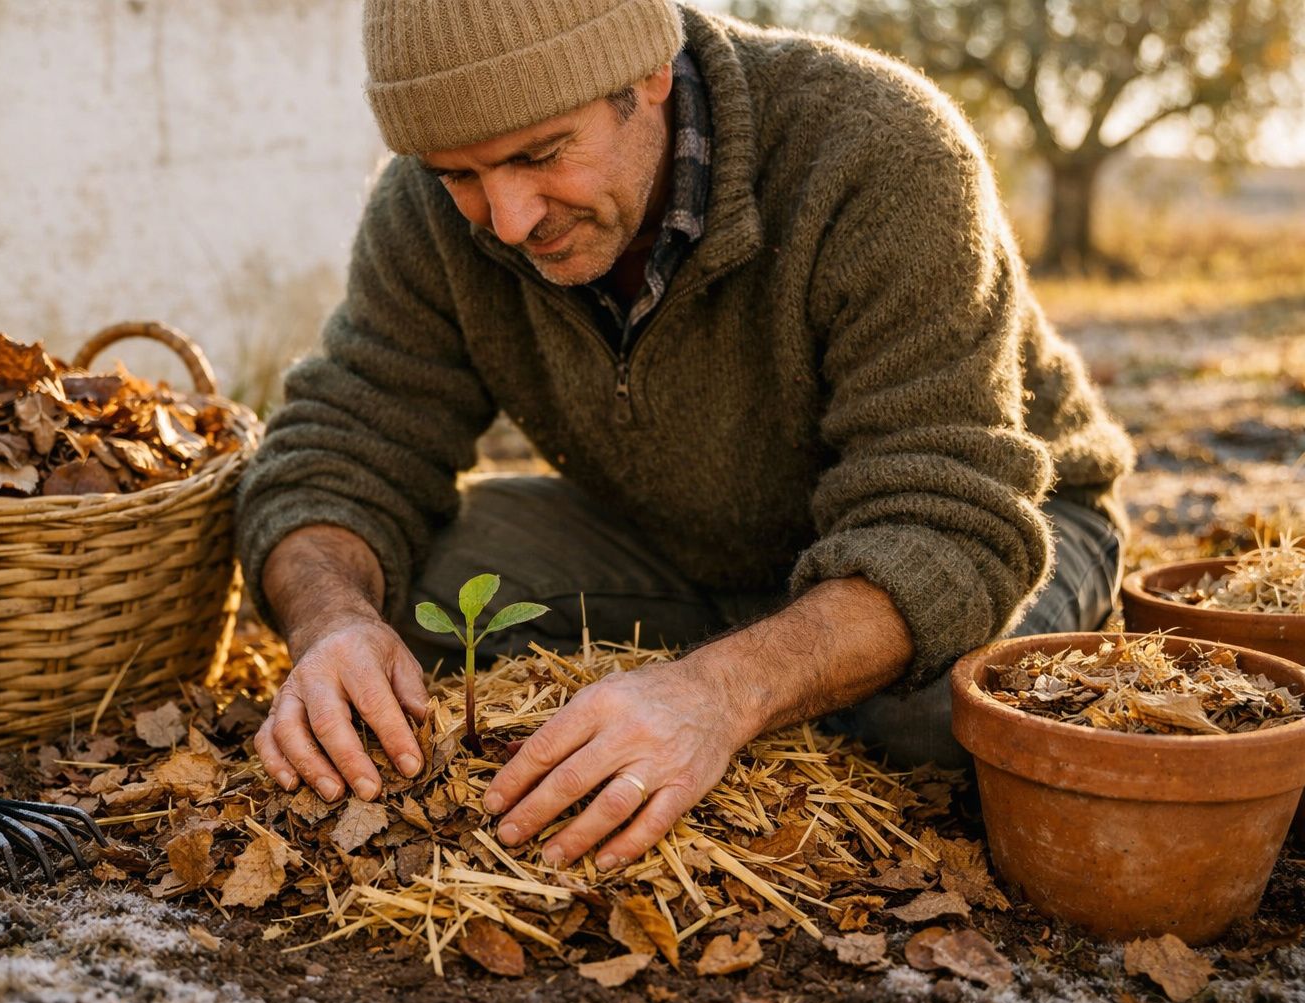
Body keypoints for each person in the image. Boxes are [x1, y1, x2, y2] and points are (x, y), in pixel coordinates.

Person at [237, 0, 1134, 873]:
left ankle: (733, 677)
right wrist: (331, 626)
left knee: (926, 714)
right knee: (419, 592)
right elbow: (339, 447)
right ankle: (732, 670)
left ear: (649, 73)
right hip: (680, 546)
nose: (508, 221)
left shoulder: (881, 148)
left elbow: (950, 524)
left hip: (1002, 526)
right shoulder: (426, 212)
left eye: (542, 154)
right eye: (459, 176)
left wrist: (718, 691)